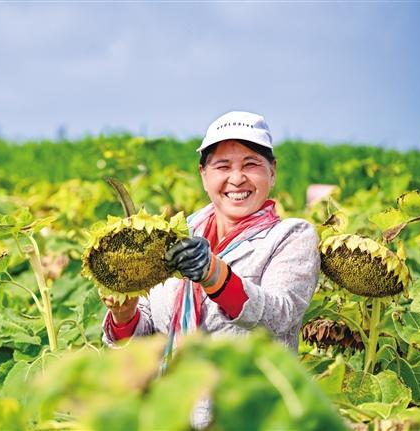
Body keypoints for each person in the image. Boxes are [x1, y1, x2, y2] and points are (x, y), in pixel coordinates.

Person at [100, 111, 320, 425]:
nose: (237, 178)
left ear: (272, 172)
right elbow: (146, 331)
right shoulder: (174, 237)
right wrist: (124, 315)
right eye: (222, 166)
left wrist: (214, 274)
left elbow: (280, 315)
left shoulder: (290, 237)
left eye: (251, 164)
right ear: (204, 175)